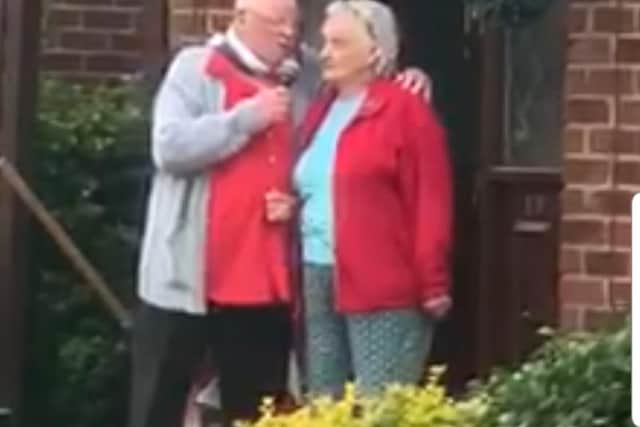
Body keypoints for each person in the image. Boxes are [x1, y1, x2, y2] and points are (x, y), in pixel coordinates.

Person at [131, 0, 431, 425]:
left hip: (263, 285)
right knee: (157, 408)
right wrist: (246, 119)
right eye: (275, 24)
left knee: (258, 414)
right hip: (185, 281)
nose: (288, 34)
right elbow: (169, 148)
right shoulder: (194, 68)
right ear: (240, 19)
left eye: (293, 23)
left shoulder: (308, 73)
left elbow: (358, 87)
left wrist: (409, 79)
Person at [292, 0, 453, 397]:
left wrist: (433, 282)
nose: (326, 53)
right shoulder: (320, 108)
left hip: (381, 282)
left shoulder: (405, 110)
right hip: (317, 272)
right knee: (324, 403)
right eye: (325, 42)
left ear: (375, 51)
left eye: (340, 43)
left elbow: (430, 202)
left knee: (380, 403)